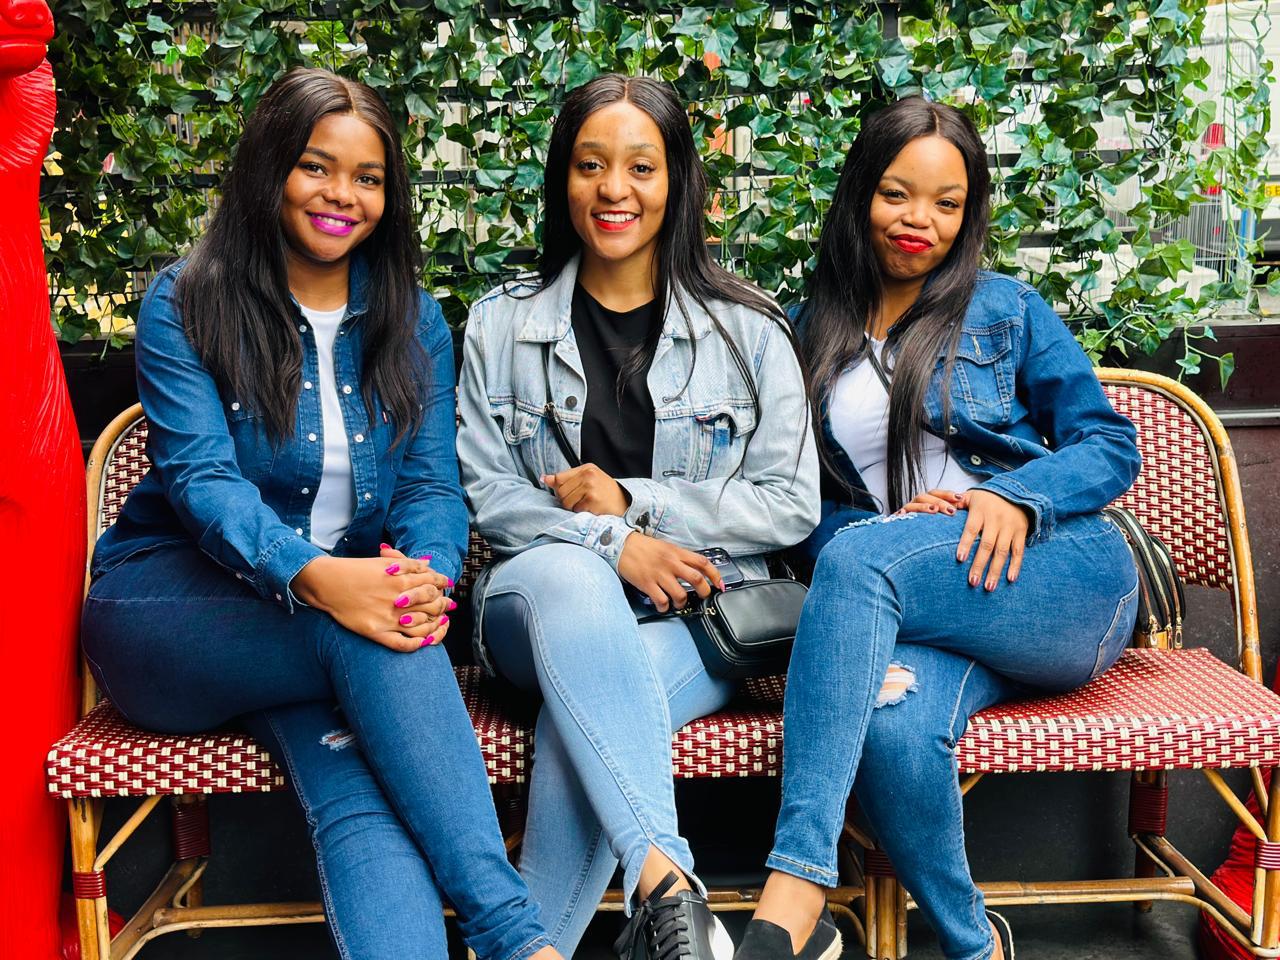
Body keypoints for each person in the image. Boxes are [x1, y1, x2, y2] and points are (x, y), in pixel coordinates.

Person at [80, 67, 560, 960]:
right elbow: (203, 486)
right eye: (316, 166)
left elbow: (429, 489)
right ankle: (515, 937)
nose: (342, 194)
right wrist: (326, 579)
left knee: (360, 793)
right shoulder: (187, 301)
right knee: (368, 633)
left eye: (367, 177)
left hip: (326, 632)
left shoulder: (412, 320)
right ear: (270, 167)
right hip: (170, 613)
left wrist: (423, 578)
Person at [734, 97, 1142, 960]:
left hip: (1060, 577)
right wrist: (886, 533)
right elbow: (799, 508)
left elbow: (1109, 444)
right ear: (861, 194)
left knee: (863, 561)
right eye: (897, 194)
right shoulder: (809, 333)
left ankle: (794, 889)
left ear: (968, 213)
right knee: (893, 732)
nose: (919, 219)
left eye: (946, 203)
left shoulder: (1006, 309)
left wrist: (1018, 496)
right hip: (920, 596)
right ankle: (975, 946)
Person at [456, 73, 819, 960]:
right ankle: (671, 885)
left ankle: (573, 941)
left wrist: (639, 502)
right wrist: (614, 543)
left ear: (678, 181)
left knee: (585, 716)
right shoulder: (500, 325)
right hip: (534, 608)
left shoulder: (749, 331)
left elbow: (790, 502)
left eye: (641, 168)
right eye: (590, 165)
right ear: (562, 178)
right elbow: (492, 498)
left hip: (698, 618)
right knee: (573, 579)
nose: (613, 189)